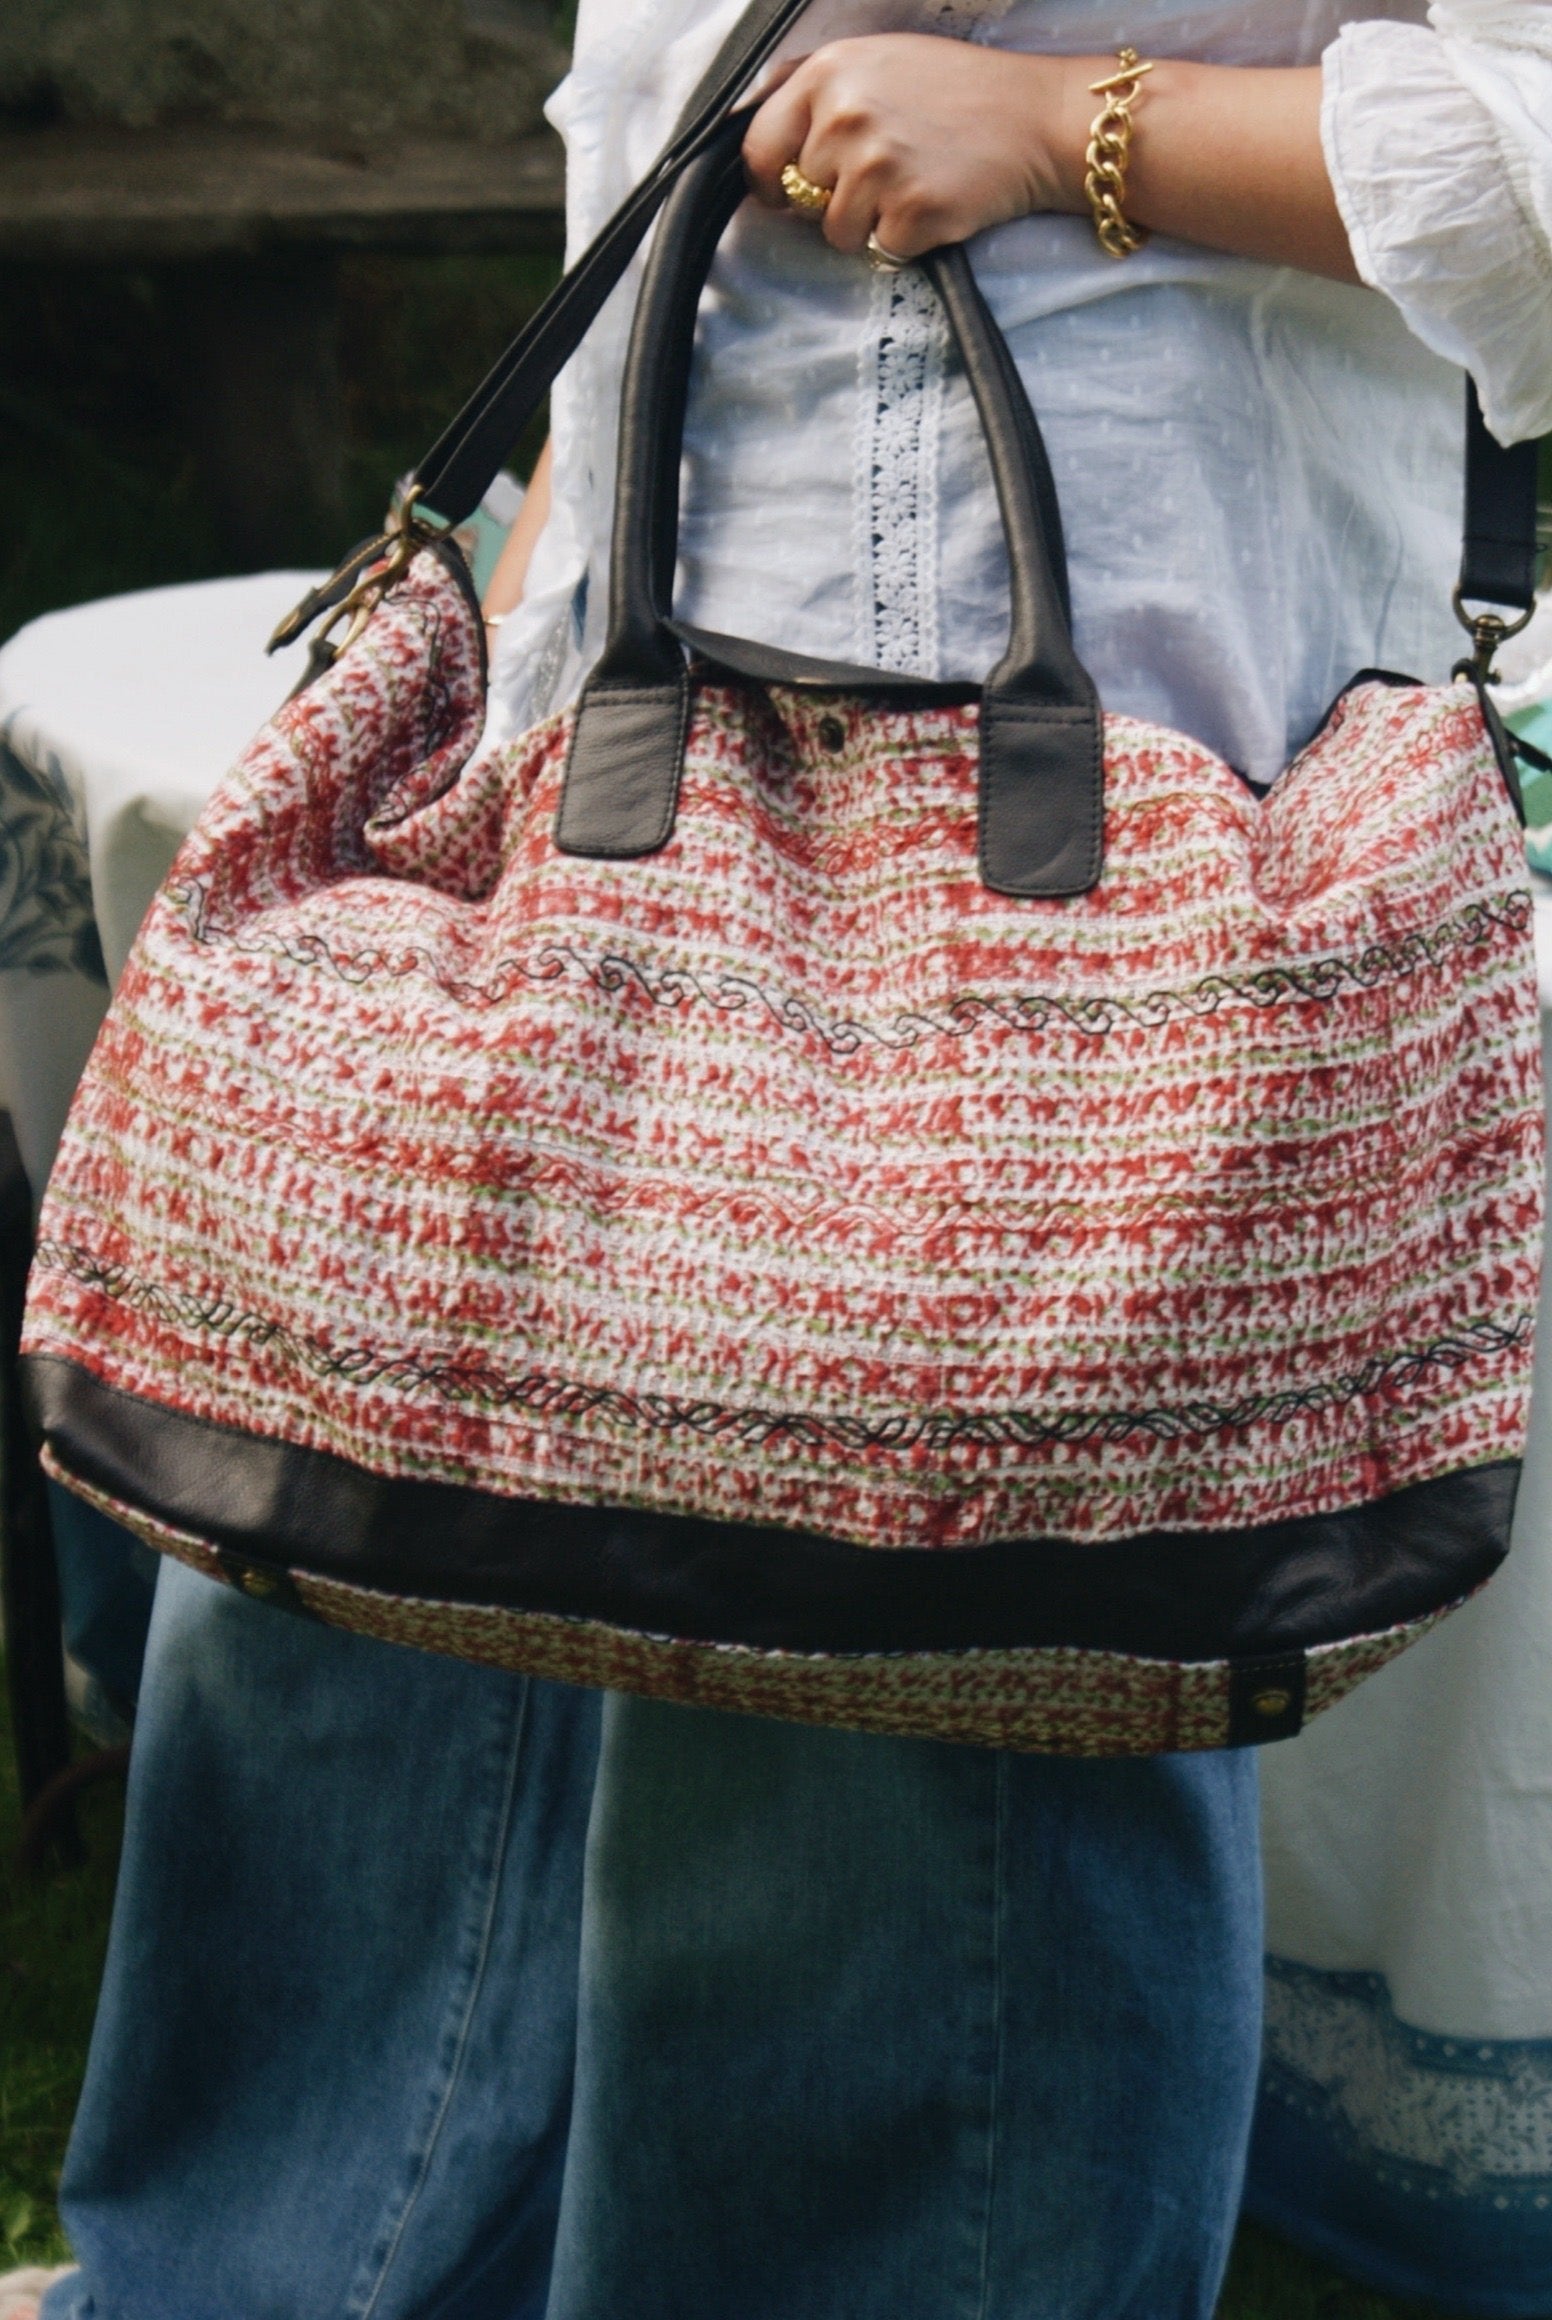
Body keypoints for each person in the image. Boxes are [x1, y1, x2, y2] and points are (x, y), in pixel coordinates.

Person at [9, 3, 1551, 2316]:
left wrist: (1067, 126)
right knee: (346, 1582)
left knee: (894, 1754)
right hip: (610, 689)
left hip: (1089, 795)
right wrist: (543, 577)